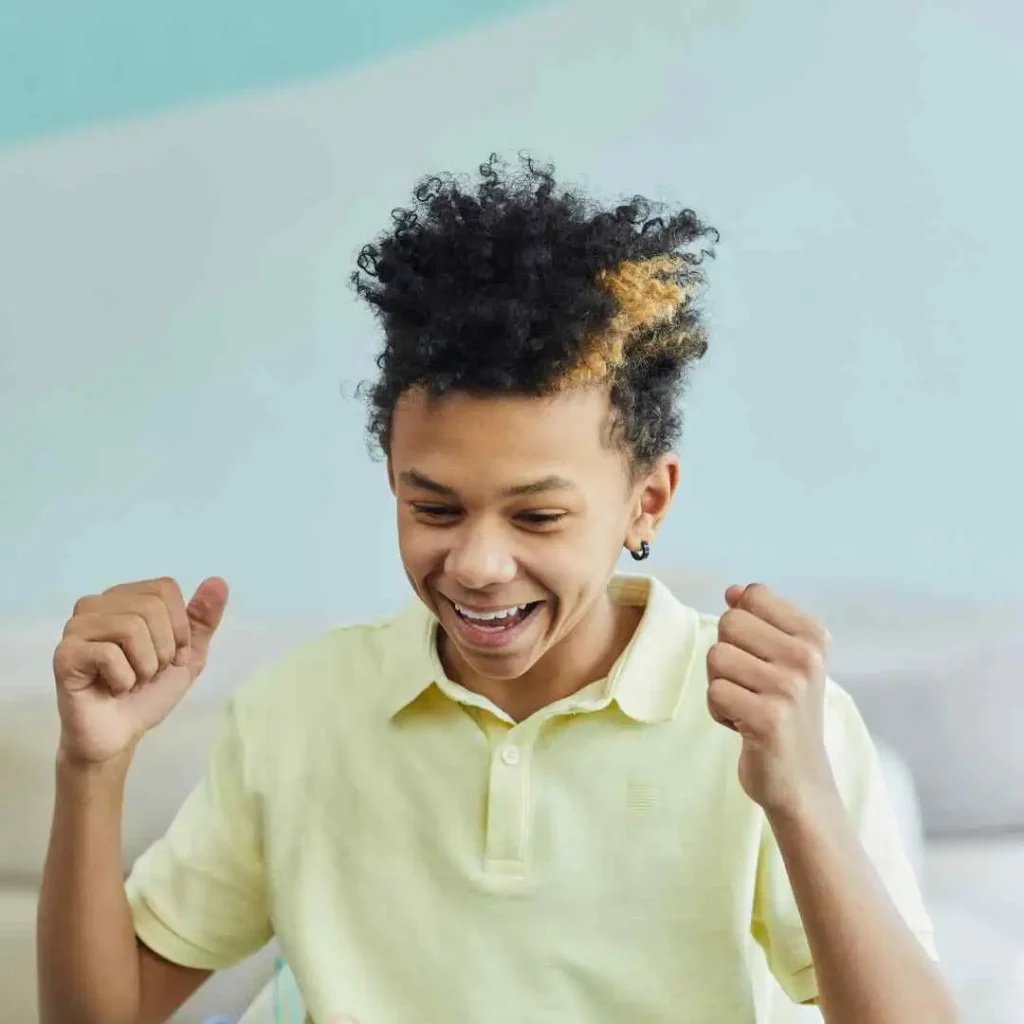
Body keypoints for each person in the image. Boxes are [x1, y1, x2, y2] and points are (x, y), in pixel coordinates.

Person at [37, 154, 956, 1024]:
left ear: (647, 501)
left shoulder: (775, 723)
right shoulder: (296, 714)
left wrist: (800, 796)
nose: (476, 564)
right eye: (433, 507)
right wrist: (93, 766)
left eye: (537, 518)